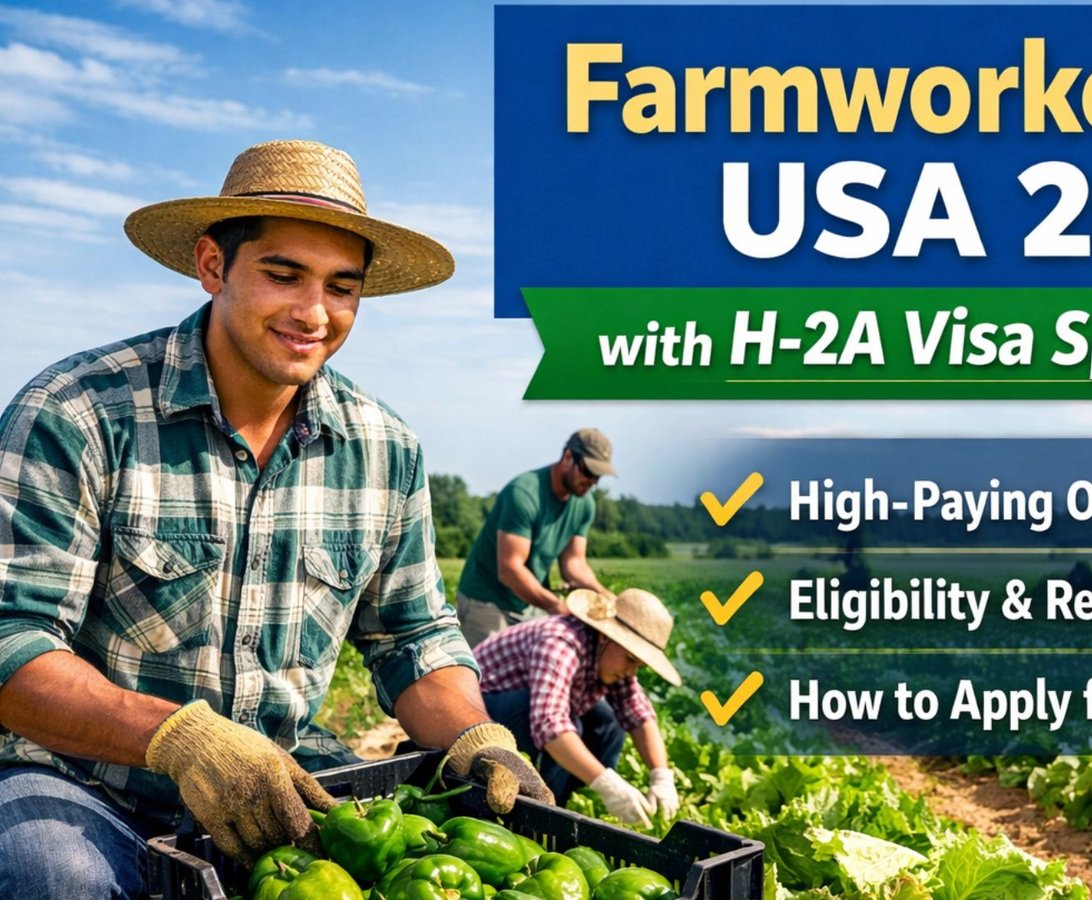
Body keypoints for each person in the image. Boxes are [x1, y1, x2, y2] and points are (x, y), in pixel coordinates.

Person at [0, 140, 553, 897]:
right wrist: (178, 739)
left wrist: (475, 736)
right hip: (85, 786)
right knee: (50, 873)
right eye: (283, 274)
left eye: (341, 287)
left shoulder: (384, 449)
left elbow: (412, 635)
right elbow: (12, 641)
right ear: (212, 265)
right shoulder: (79, 412)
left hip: (281, 787)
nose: (314, 312)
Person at [475, 588, 681, 823]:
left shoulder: (609, 655)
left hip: (526, 709)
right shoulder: (561, 642)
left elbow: (638, 713)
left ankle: (577, 801)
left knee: (609, 721)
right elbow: (549, 724)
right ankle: (544, 810)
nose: (631, 672)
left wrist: (661, 776)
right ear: (606, 636)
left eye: (639, 665)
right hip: (480, 713)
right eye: (631, 659)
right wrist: (608, 784)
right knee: (568, 726)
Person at [455, 429, 616, 647]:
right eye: (589, 471)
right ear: (568, 456)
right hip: (486, 601)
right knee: (485, 676)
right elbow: (510, 569)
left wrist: (604, 595)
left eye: (598, 476)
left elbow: (574, 563)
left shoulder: (585, 504)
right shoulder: (524, 494)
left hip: (529, 603)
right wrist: (555, 606)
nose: (593, 482)